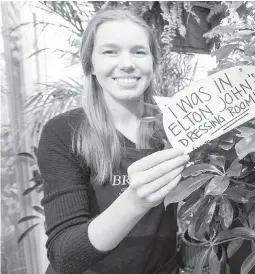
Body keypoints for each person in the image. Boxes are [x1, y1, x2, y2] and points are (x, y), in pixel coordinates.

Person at [37, 8, 189, 274]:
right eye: (110, 51)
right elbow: (64, 256)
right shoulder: (63, 133)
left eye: (139, 52)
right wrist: (135, 201)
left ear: (153, 62)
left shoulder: (175, 126)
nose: (127, 63)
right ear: (91, 64)